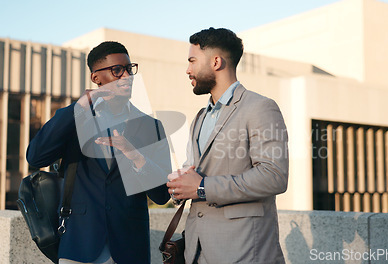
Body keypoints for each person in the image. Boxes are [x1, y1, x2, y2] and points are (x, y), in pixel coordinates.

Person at [27, 41, 171, 264]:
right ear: (96, 78)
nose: (127, 76)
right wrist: (79, 108)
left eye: (129, 69)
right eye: (117, 70)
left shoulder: (150, 125)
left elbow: (162, 195)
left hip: (130, 248)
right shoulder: (74, 119)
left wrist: (135, 157)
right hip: (79, 246)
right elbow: (35, 157)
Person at [166, 27, 289, 264]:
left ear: (216, 62)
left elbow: (274, 176)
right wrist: (180, 185)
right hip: (196, 250)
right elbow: (194, 172)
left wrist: (202, 187)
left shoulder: (261, 107)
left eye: (192, 60)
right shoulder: (200, 117)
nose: (187, 69)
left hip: (242, 252)